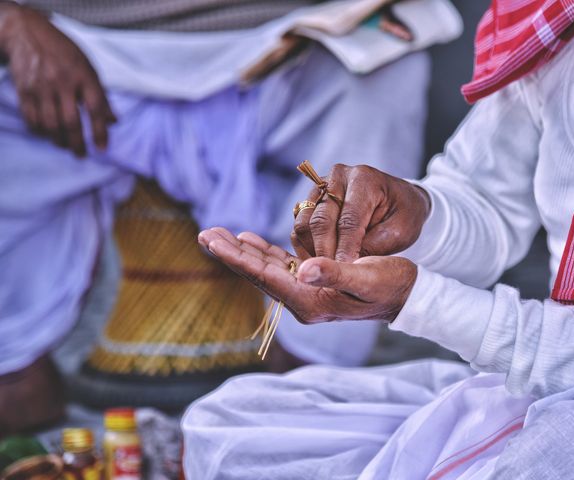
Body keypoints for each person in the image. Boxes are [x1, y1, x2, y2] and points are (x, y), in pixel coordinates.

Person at [185, 0, 574, 477]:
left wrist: (418, 301)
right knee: (234, 420)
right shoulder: (569, 21)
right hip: (548, 376)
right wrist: (413, 214)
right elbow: (488, 203)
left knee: (551, 459)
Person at [0, 0, 442, 433]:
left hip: (280, 48)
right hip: (75, 51)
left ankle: (313, 366)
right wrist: (10, 20)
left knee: (384, 72)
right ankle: (12, 368)